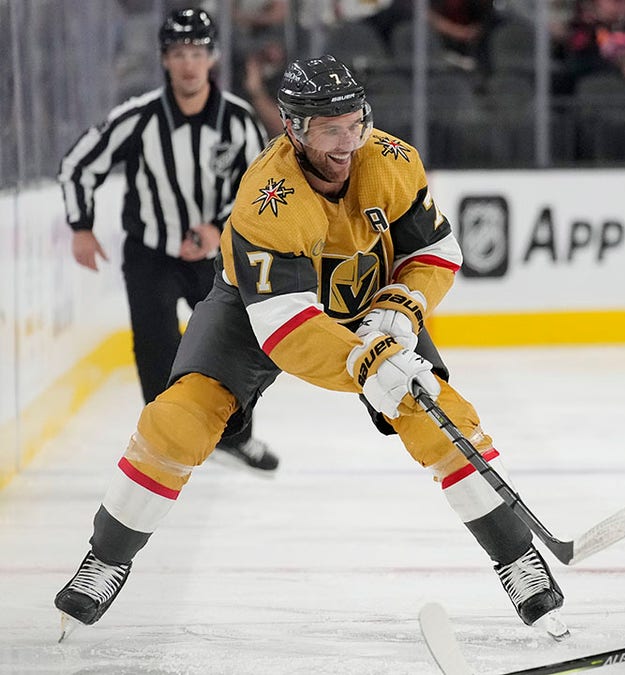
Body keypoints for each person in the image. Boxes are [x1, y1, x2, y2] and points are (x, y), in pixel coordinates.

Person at [54, 53, 573, 642]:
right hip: (254, 312)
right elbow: (288, 330)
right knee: (178, 419)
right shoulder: (267, 196)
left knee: (440, 416)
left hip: (369, 303)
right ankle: (108, 556)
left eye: (354, 123)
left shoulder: (392, 159)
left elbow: (434, 254)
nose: (347, 142)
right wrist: (363, 361)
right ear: (294, 129)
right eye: (330, 129)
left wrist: (400, 310)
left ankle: (516, 559)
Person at [59, 7, 278, 472]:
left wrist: (218, 227)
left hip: (217, 258)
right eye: (179, 53)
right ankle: (166, 444)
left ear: (213, 57)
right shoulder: (138, 118)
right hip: (151, 256)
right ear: (164, 60)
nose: (188, 63)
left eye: (197, 52)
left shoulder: (238, 121)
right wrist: (81, 226)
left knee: (232, 344)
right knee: (156, 348)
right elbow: (79, 164)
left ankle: (236, 437)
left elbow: (264, 188)